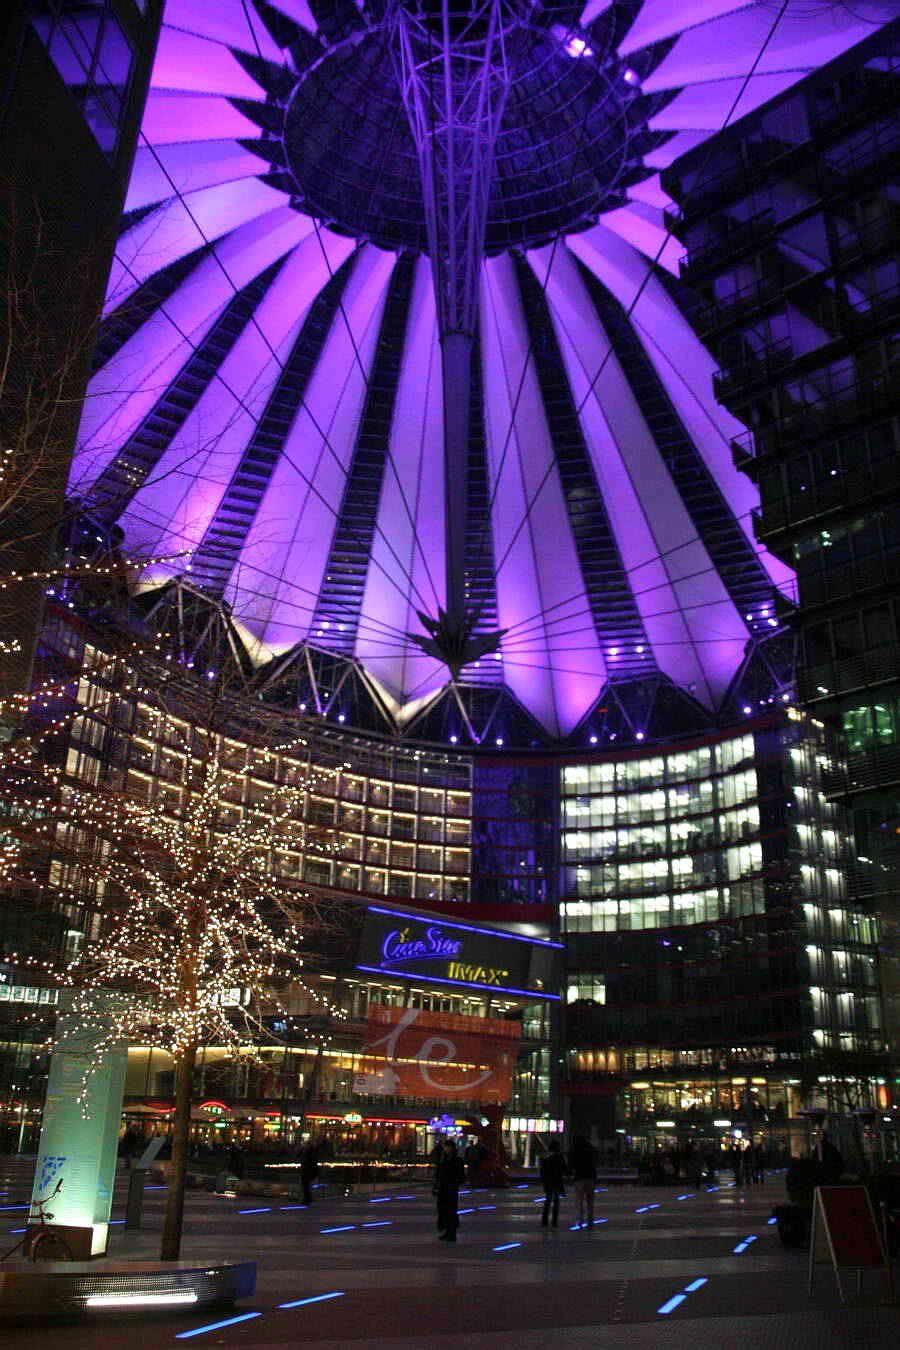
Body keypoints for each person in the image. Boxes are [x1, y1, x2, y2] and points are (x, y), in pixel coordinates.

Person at [433, 1138, 465, 1242]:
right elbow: (438, 1174)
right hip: (442, 1189)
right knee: (443, 1210)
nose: (446, 1149)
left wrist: (454, 1182)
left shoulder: (457, 1160)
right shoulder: (442, 1159)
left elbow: (461, 1176)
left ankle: (452, 1233)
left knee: (451, 1211)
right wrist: (436, 1186)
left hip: (451, 1189)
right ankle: (446, 1231)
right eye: (445, 1147)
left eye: (448, 1147)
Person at [568, 1134, 597, 1228]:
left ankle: (579, 1220)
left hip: (579, 1177)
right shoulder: (591, 1149)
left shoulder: (574, 1149)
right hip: (590, 1176)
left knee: (579, 1200)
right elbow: (595, 1161)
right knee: (590, 1200)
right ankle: (590, 1220)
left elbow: (571, 1164)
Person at [540, 1138, 567, 1228]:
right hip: (556, 1182)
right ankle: (554, 1221)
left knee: (548, 1201)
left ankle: (544, 1220)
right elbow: (564, 1169)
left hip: (548, 1182)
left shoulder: (545, 1157)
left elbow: (542, 1171)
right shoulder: (559, 1157)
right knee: (556, 1201)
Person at [300, 1139, 319, 1205]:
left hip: (307, 1170)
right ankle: (308, 1198)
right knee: (306, 1185)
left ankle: (307, 1199)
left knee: (306, 1185)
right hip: (308, 1170)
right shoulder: (311, 1151)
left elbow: (310, 1161)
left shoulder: (310, 1152)